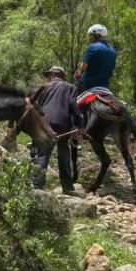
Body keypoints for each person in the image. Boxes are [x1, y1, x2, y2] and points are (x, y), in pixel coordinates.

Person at [31, 66, 82, 194]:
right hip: (63, 124)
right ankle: (67, 187)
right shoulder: (71, 88)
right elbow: (74, 108)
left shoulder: (43, 88)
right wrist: (78, 125)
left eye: (49, 75)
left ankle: (37, 188)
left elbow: (35, 107)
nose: (48, 78)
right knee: (64, 154)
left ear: (53, 75)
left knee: (42, 155)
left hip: (45, 124)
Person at [75, 24, 118, 91]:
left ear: (97, 35)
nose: (91, 38)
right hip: (105, 86)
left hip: (89, 85)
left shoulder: (92, 47)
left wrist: (79, 73)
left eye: (92, 35)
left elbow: (84, 66)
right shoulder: (113, 51)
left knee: (73, 93)